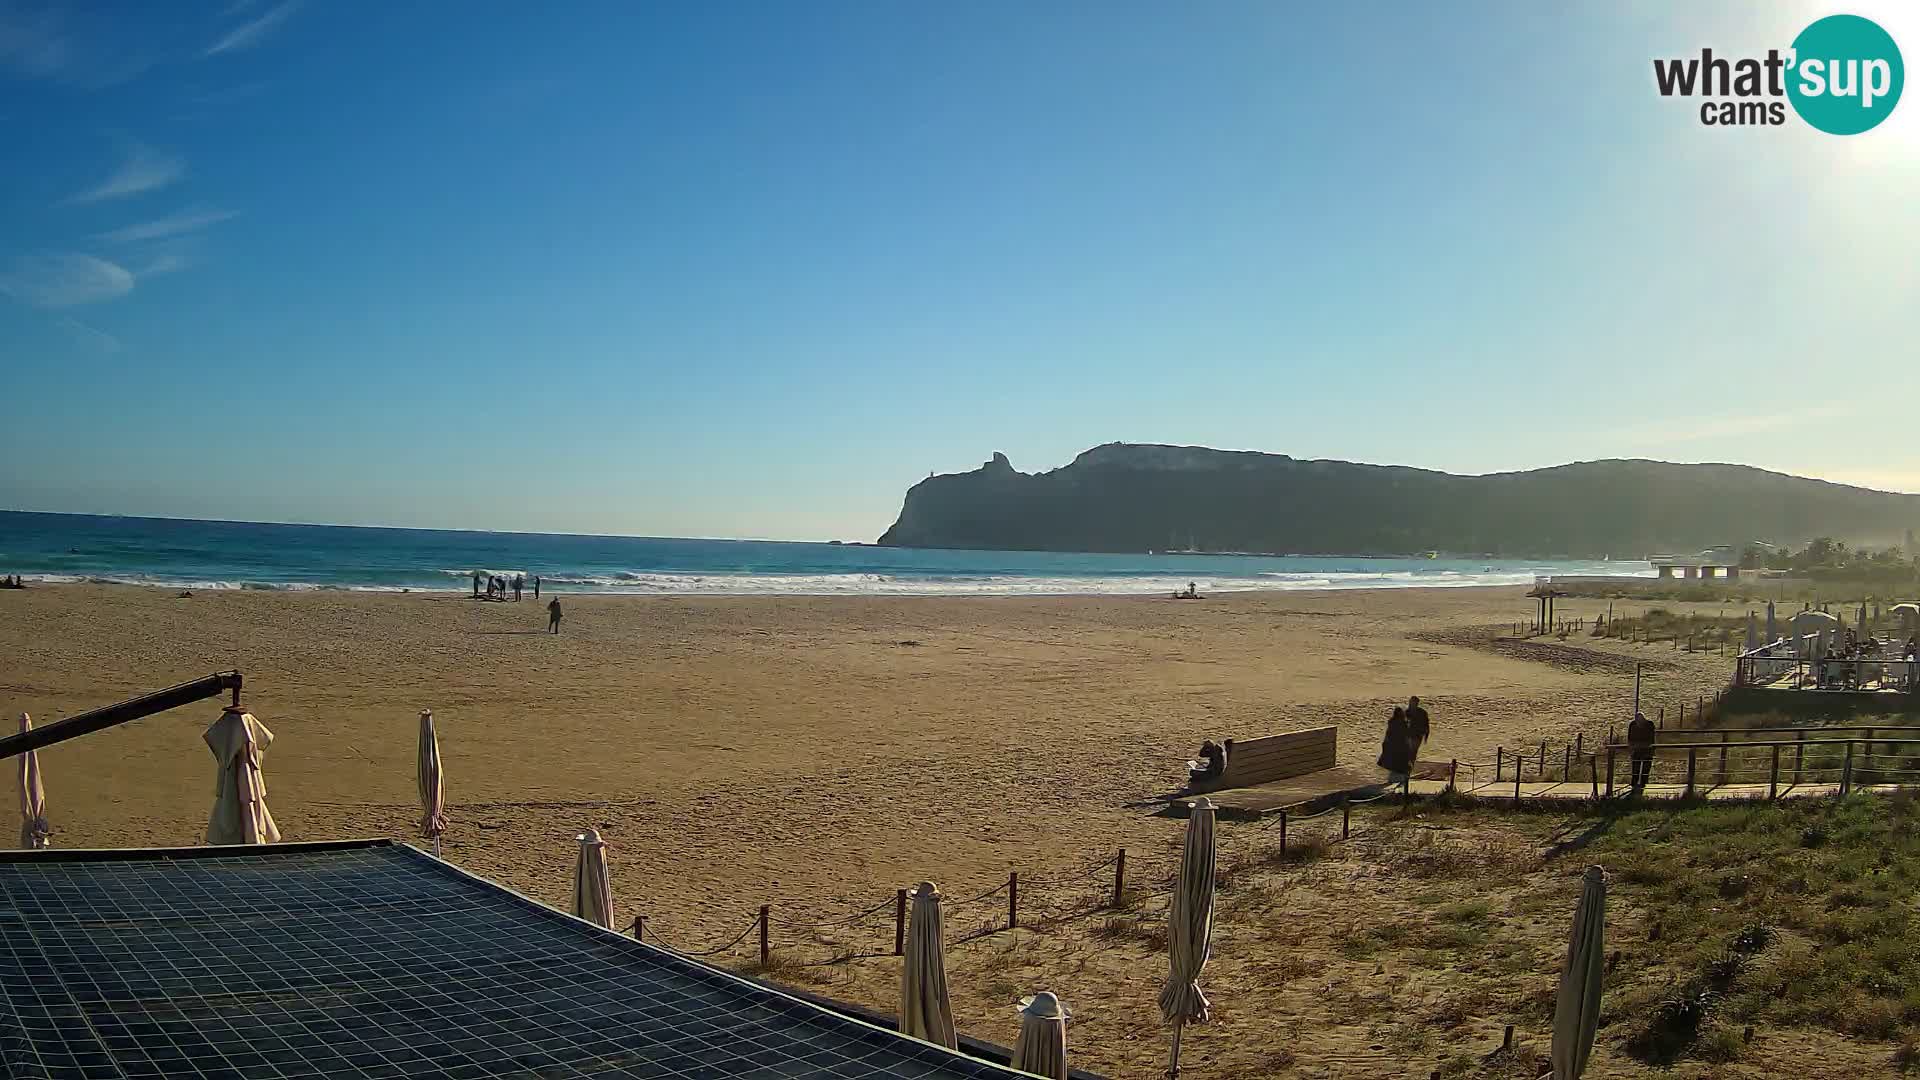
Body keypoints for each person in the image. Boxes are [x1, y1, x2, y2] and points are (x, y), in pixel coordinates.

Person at [1377, 707, 1412, 788]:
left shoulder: (1393, 722)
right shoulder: (1402, 723)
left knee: (1395, 763)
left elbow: (1388, 734)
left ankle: (1396, 779)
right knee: (1401, 762)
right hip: (1400, 745)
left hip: (1393, 745)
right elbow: (1407, 734)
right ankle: (1400, 780)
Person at [1627, 710, 1656, 793]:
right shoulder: (1632, 725)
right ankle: (1634, 784)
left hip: (1647, 749)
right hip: (1636, 749)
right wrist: (1631, 748)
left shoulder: (1650, 724)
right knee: (1635, 768)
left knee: (1646, 768)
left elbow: (1651, 737)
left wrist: (1651, 748)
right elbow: (1629, 737)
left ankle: (1643, 784)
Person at [1405, 696, 1431, 762]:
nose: (1411, 704)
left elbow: (1426, 725)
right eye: (1411, 703)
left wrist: (1426, 736)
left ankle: (1411, 763)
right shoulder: (1406, 712)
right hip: (1408, 734)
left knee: (1413, 751)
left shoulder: (1422, 712)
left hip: (1417, 735)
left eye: (1414, 703)